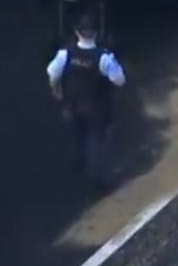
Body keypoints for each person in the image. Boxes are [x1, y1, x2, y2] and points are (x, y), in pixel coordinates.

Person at [46, 15, 126, 188]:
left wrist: (56, 91)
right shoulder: (104, 57)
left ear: (76, 32)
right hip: (97, 108)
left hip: (72, 105)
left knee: (77, 134)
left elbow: (52, 74)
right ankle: (98, 179)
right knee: (97, 141)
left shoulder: (65, 54)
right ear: (97, 33)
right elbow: (119, 79)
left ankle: (78, 163)